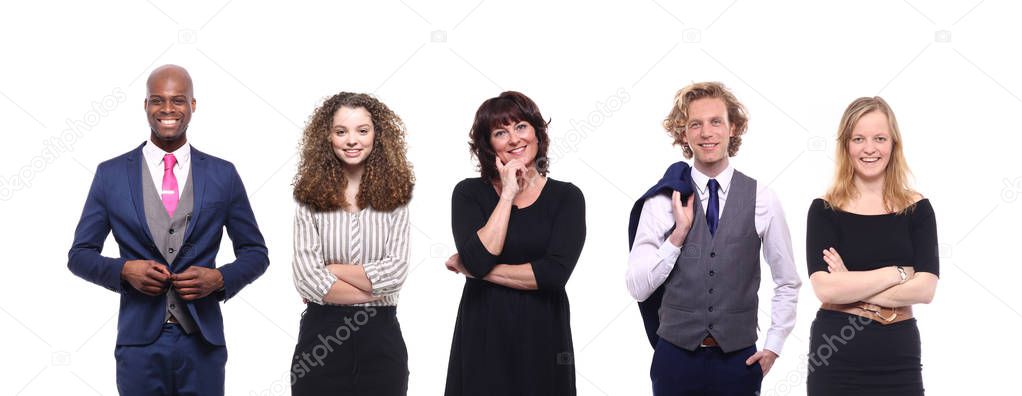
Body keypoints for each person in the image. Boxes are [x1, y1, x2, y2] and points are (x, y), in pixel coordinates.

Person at [67, 64, 269, 395]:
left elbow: (255, 253)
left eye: (178, 100)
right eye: (158, 100)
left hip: (203, 342)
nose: (168, 110)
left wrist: (220, 279)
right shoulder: (111, 174)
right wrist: (123, 270)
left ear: (193, 105)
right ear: (146, 105)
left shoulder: (223, 174)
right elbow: (79, 256)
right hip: (138, 344)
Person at [625, 81, 801, 395]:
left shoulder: (763, 199)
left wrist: (773, 346)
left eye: (716, 121)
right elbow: (637, 287)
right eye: (696, 124)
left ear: (733, 127)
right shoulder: (662, 201)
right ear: (684, 133)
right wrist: (678, 235)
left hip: (738, 362)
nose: (707, 133)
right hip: (674, 360)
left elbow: (787, 281)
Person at [443, 91, 586, 395]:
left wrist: (470, 268)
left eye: (521, 126)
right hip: (483, 334)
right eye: (500, 132)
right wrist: (507, 194)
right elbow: (481, 258)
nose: (513, 139)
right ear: (488, 145)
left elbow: (553, 275)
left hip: (544, 336)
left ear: (536, 132)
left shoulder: (567, 198)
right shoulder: (468, 194)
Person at [805, 96, 939, 395]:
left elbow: (926, 290)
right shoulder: (825, 209)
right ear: (846, 145)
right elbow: (826, 289)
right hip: (835, 357)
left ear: (893, 144)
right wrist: (899, 272)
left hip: (899, 356)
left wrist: (849, 280)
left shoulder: (917, 208)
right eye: (858, 138)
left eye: (879, 138)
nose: (869, 148)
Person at [290, 92, 414, 395]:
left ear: (377, 135)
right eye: (341, 131)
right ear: (327, 138)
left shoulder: (396, 201)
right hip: (320, 342)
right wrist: (375, 291)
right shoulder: (309, 201)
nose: (352, 140)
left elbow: (395, 274)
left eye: (362, 130)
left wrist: (333, 269)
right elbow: (308, 280)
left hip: (381, 341)